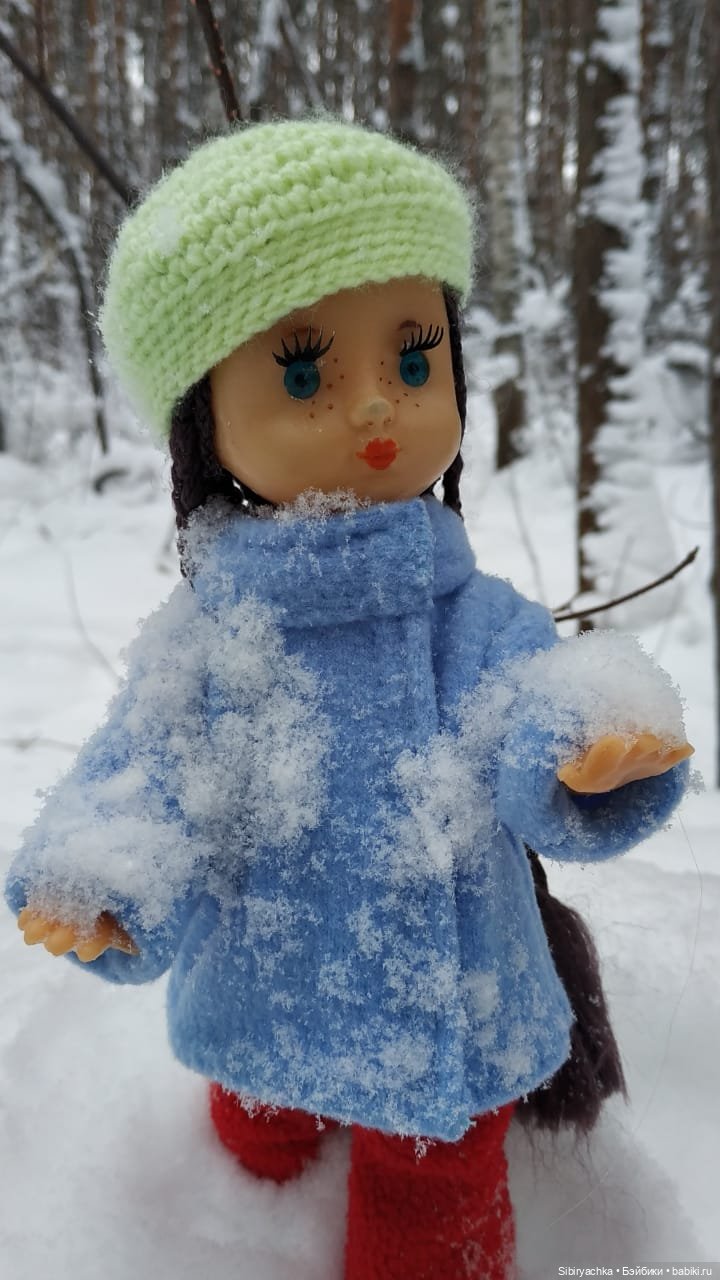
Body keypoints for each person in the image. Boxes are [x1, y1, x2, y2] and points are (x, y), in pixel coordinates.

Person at [6, 120, 692, 1280]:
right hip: (265, 976)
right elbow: (149, 768)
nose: (376, 408)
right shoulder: (217, 639)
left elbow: (522, 698)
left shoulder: (469, 615)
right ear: (204, 421)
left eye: (414, 361)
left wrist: (583, 741)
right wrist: (105, 875)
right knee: (255, 1123)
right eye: (304, 374)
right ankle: (245, 1176)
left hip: (446, 998)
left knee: (435, 1199)